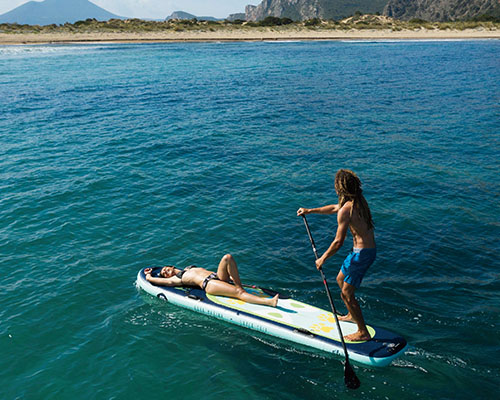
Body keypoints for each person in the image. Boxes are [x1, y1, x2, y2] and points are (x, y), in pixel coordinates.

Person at [297, 169, 376, 341]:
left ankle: (363, 331)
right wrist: (310, 211)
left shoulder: (346, 210)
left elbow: (338, 242)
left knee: (346, 293)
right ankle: (351, 314)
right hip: (362, 251)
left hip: (362, 254)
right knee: (341, 279)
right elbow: (334, 207)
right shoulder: (358, 201)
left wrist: (322, 259)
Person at [144, 253, 278, 307]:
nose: (166, 272)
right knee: (238, 292)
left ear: (171, 266)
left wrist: (230, 278)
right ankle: (269, 302)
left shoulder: (188, 267)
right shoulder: (175, 280)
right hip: (209, 285)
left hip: (217, 277)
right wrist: (149, 276)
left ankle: (238, 285)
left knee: (227, 257)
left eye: (165, 269)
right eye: (164, 273)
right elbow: (158, 281)